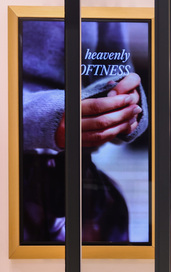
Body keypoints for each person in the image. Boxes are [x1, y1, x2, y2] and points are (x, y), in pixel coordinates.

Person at [20, 20, 149, 242]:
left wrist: (126, 103)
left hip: (73, 178)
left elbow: (114, 71)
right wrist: (42, 119)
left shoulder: (104, 7)